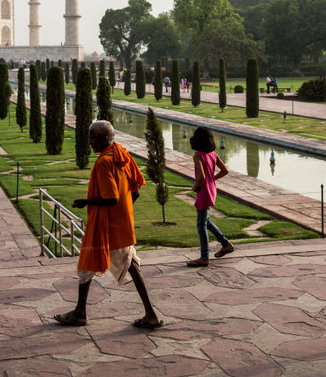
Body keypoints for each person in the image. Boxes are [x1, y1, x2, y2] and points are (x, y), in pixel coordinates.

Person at [54, 121, 162, 329]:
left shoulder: (105, 162)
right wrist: (124, 211)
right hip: (120, 222)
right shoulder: (121, 153)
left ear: (104, 139)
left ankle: (150, 315)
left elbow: (111, 198)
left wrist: (85, 202)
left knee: (122, 265)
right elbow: (135, 191)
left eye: (92, 137)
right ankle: (81, 311)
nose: (90, 141)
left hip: (109, 226)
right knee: (96, 265)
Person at [187, 127, 234, 267]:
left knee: (201, 225)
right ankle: (226, 244)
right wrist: (212, 179)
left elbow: (200, 177)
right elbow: (225, 171)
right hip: (211, 189)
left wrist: (194, 187)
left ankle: (204, 257)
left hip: (203, 191)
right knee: (206, 221)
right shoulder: (213, 154)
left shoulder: (197, 156)